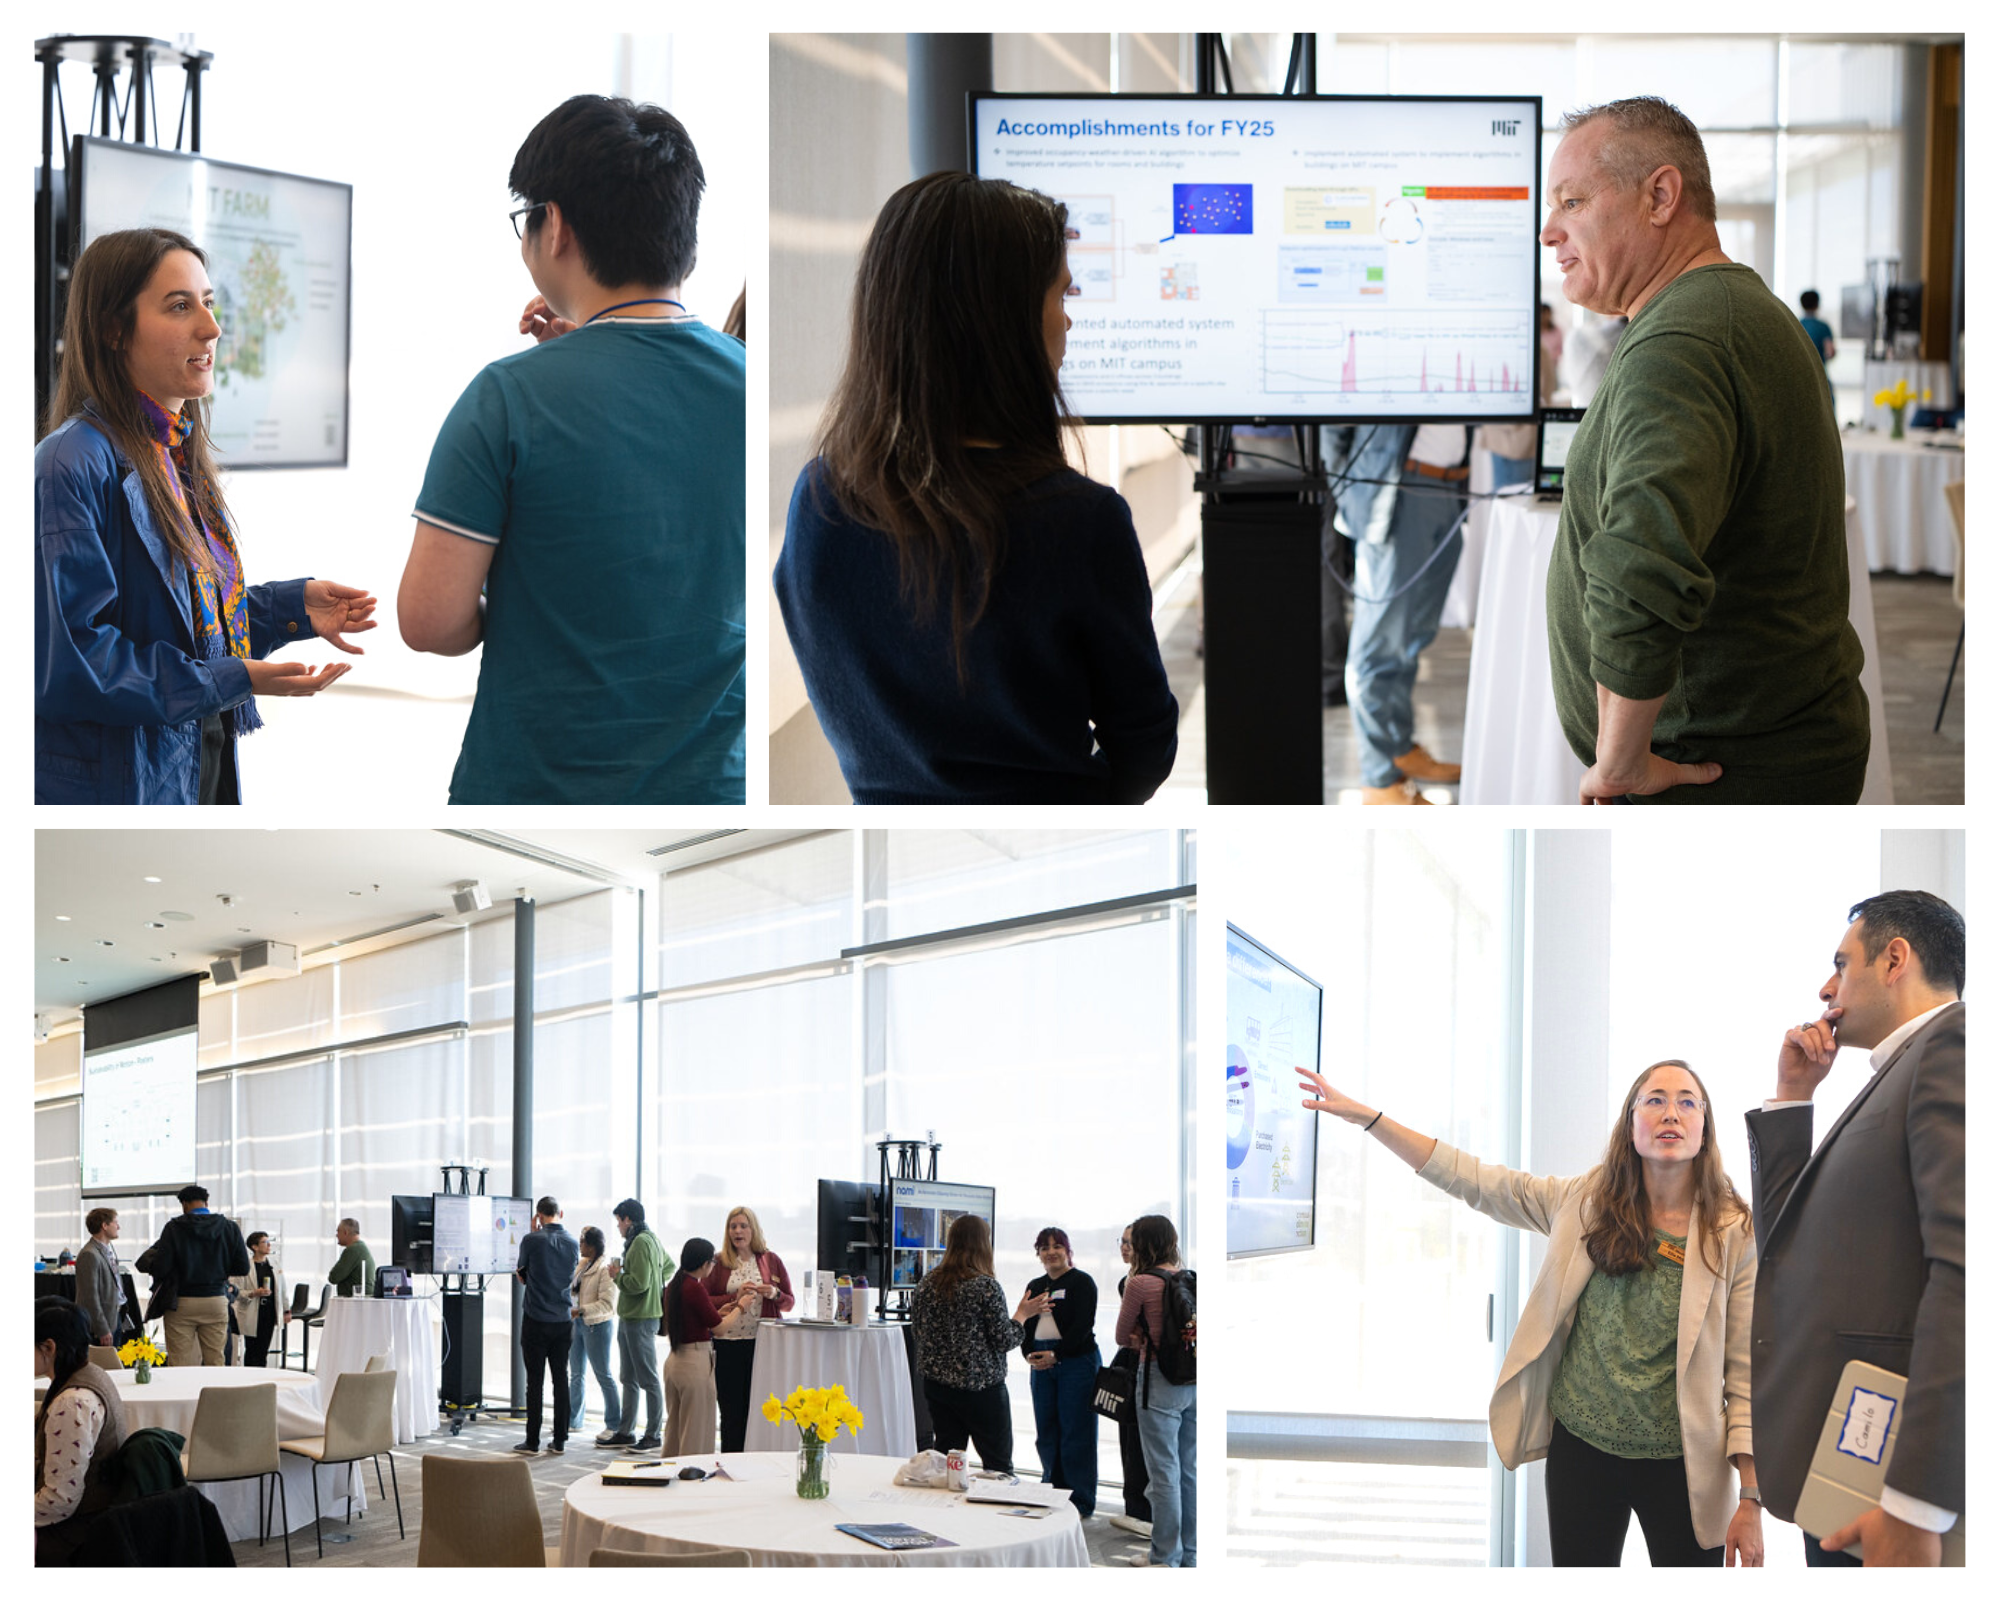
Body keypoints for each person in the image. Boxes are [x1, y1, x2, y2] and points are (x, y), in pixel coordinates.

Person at [774, 170, 1178, 804]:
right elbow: (1144, 747)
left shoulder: (819, 498)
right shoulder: (1081, 522)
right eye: (1061, 295)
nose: (1068, 321)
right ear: (1002, 320)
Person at [398, 94, 745, 804]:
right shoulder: (751, 383)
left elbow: (429, 621)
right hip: (718, 788)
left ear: (553, 225)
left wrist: (527, 602)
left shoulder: (506, 397)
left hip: (540, 791)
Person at [1298, 1061, 1762, 1567]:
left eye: (1687, 1101)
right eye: (1654, 1100)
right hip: (1582, 1452)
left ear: (1704, 1128)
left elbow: (1746, 1373)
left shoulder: (1734, 1232)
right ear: (1630, 1125)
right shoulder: (1585, 1201)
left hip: (1683, 1464)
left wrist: (1751, 1498)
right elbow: (1478, 1180)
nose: (1671, 1112)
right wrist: (1371, 1119)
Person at [1539, 96, 1868, 804]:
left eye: (1572, 201)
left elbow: (1642, 560)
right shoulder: (1736, 311)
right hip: (1768, 748)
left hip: (1719, 772)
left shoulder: (1683, 340)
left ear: (1660, 196)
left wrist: (1620, 761)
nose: (1549, 231)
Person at [34, 227, 375, 804]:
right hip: (118, 791)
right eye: (179, 306)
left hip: (196, 765)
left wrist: (290, 608)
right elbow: (76, 662)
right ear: (113, 329)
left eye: (209, 303)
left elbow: (186, 627)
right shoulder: (69, 462)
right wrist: (235, 678)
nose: (212, 328)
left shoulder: (174, 452)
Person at [1745, 890, 1963, 1567]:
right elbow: (1785, 1248)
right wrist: (1793, 1097)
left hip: (1893, 1483)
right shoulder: (1899, 1069)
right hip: (1845, 1464)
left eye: (1842, 965)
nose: (1825, 988)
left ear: (1895, 960)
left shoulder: (1952, 1045)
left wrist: (1915, 1504)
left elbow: (1968, 1272)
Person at [1324, 424, 1469, 804]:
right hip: (1398, 490)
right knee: (1378, 648)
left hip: (1449, 487)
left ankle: (1399, 749)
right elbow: (1332, 427)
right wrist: (1352, 492)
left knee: (1412, 637)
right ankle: (1379, 781)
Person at [910, 1214, 1048, 1471]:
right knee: (998, 1467)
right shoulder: (985, 1287)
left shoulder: (926, 1284)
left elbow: (918, 1333)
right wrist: (1023, 1314)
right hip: (982, 1390)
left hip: (937, 1388)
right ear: (983, 1244)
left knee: (946, 1464)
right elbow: (1004, 1339)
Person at [1115, 1214, 1197, 1568]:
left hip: (1158, 1381)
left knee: (1163, 1473)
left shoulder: (1140, 1283)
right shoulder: (1188, 1278)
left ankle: (1165, 1556)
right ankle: (1190, 1555)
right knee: (1189, 1471)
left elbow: (1122, 1336)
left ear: (1143, 1244)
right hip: (1194, 1379)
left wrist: (1140, 1336)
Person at [35, 1296, 131, 1563]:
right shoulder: (90, 1372)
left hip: (76, 1532)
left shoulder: (72, 1402)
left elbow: (60, 1501)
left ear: (49, 1347)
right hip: (90, 1516)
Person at [702, 1206, 795, 1452]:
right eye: (733, 1226)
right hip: (727, 1345)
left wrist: (774, 1293)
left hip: (761, 1345)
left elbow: (789, 1302)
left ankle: (756, 1461)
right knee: (731, 1411)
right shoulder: (719, 1262)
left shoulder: (771, 1260)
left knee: (758, 1409)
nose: (737, 1231)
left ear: (753, 1229)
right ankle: (730, 1461)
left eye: (743, 1226)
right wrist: (734, 1297)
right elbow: (704, 1301)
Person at [1021, 1226, 1101, 1518]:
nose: (1051, 1252)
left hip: (1076, 1362)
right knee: (1046, 1431)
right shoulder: (1035, 1284)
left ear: (1068, 1251)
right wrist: (1029, 1355)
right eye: (1045, 1247)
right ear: (1038, 1254)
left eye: (1057, 1246)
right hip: (1041, 1364)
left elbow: (1083, 1327)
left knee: (1075, 1431)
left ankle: (1079, 1501)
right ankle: (1051, 1492)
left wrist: (1057, 1355)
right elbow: (1025, 1323)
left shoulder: (1082, 1282)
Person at [136, 1184, 249, 1367]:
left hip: (181, 1303)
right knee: (215, 1360)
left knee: (179, 1362)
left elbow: (162, 1268)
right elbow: (243, 1267)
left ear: (184, 1204)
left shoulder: (174, 1228)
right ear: (206, 1202)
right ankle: (214, 1387)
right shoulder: (229, 1228)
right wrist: (219, 1269)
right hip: (216, 1300)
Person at [660, 1237, 756, 1454]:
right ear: (705, 1264)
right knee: (696, 1432)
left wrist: (721, 1312)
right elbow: (720, 1329)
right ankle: (692, 1472)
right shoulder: (694, 1288)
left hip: (675, 1360)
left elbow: (697, 1320)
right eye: (712, 1262)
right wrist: (740, 1307)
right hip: (694, 1363)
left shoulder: (675, 1285)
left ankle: (671, 1469)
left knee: (675, 1431)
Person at [604, 1198, 672, 1451]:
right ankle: (626, 1431)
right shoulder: (650, 1238)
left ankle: (653, 1434)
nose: (618, 1227)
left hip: (639, 1318)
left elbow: (639, 1284)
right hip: (636, 1316)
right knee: (629, 1377)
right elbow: (668, 1266)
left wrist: (617, 1276)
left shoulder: (640, 1242)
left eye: (619, 1221)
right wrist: (654, 1283)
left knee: (647, 1379)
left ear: (627, 1219)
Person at [513, 1197, 579, 1455]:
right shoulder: (573, 1242)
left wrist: (533, 1233)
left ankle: (532, 1441)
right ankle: (560, 1439)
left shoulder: (531, 1240)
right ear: (560, 1212)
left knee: (535, 1381)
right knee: (561, 1379)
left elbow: (522, 1275)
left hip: (536, 1319)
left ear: (538, 1216)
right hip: (563, 1320)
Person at [1108, 1221, 1152, 1536]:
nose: (1124, 1248)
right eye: (1121, 1241)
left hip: (1146, 1368)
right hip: (1136, 1366)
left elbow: (1126, 1335)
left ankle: (1142, 1513)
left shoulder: (1139, 1283)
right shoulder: (1127, 1281)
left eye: (1130, 1243)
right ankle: (1135, 1510)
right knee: (1130, 1441)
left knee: (1140, 1444)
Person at [568, 1225, 620, 1441]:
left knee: (603, 1375)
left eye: (583, 1241)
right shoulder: (582, 1264)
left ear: (592, 1245)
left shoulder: (605, 1269)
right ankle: (574, 1420)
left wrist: (581, 1310)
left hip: (596, 1325)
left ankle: (614, 1424)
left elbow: (608, 1304)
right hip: (577, 1323)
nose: (579, 1245)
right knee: (576, 1374)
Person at [230, 1231, 288, 1368]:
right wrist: (253, 1293)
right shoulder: (245, 1266)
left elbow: (282, 1289)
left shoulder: (274, 1264)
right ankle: (250, 1376)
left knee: (263, 1350)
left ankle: (262, 1376)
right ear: (254, 1247)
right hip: (252, 1311)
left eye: (269, 1241)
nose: (269, 1245)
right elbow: (236, 1291)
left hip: (269, 1311)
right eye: (264, 1242)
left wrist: (286, 1310)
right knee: (252, 1350)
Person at [75, 1207, 129, 1349]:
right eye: (115, 1223)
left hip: (113, 1317)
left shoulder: (106, 1250)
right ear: (104, 1226)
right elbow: (90, 1296)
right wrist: (102, 1329)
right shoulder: (89, 1254)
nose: (118, 1227)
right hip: (101, 1325)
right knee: (104, 1362)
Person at [327, 1218, 375, 1298]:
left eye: (338, 1231)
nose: (336, 1235)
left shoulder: (352, 1250)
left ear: (345, 1232)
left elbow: (333, 1277)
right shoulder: (361, 1248)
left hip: (355, 1302)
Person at [1798, 289, 1837, 377]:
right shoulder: (1823, 327)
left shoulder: (1796, 324)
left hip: (1800, 374)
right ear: (1817, 305)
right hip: (1819, 374)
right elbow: (1830, 352)